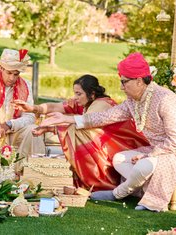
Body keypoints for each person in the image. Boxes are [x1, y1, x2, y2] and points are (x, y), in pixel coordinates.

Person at [40, 53, 176, 212]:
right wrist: (66, 118)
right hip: (157, 150)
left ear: (140, 81)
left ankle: (118, 194)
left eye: (124, 82)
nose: (121, 87)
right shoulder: (133, 101)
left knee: (143, 164)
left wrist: (149, 155)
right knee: (119, 159)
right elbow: (105, 117)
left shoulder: (166, 100)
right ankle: (144, 186)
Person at [13, 74, 148, 191]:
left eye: (79, 94)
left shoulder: (101, 104)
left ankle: (98, 181)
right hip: (103, 148)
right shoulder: (85, 102)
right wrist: (31, 108)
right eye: (75, 93)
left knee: (80, 133)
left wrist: (49, 128)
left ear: (92, 94)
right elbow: (54, 106)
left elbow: (85, 131)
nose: (75, 97)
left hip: (115, 148)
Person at [0, 48, 45, 173]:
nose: (12, 78)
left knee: (33, 130)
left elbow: (29, 117)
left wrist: (9, 125)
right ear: (1, 68)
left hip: (13, 130)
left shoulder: (26, 85)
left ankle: (32, 174)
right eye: (9, 73)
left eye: (16, 74)